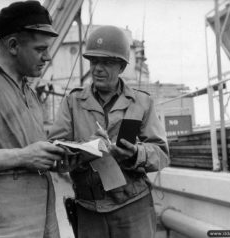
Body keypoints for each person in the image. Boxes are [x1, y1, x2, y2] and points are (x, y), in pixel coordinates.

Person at [48, 25, 169, 238]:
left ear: (121, 67)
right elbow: (55, 147)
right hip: (88, 208)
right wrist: (73, 155)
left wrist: (135, 153)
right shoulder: (72, 102)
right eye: (94, 61)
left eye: (106, 62)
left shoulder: (141, 102)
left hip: (133, 207)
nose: (97, 68)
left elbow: (161, 154)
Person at [0, 1, 66, 238]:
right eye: (40, 49)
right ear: (13, 45)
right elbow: (25, 154)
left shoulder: (28, 90)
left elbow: (27, 150)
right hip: (2, 226)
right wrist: (25, 156)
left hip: (41, 220)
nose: (47, 58)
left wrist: (53, 158)